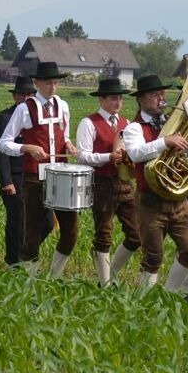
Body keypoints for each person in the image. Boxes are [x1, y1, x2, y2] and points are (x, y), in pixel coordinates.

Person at [123, 74, 188, 290]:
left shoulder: (175, 120)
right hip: (150, 200)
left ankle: (168, 292)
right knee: (153, 256)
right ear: (141, 99)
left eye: (162, 94)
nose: (161, 98)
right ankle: (145, 300)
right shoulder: (135, 127)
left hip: (178, 197)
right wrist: (165, 142)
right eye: (154, 95)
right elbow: (135, 154)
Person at [0, 61, 75, 276]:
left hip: (60, 174)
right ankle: (28, 278)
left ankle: (54, 275)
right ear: (37, 83)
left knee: (70, 230)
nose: (53, 86)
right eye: (48, 82)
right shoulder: (25, 108)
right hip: (33, 178)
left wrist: (68, 143)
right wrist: (26, 148)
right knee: (31, 229)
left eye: (55, 82)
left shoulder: (63, 106)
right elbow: (3, 143)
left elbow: (64, 134)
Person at [75, 77, 140, 285]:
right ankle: (104, 284)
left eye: (120, 98)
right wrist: (107, 158)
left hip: (125, 183)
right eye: (113, 98)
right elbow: (82, 156)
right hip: (102, 182)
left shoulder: (127, 124)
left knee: (137, 234)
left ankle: (111, 274)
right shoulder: (88, 123)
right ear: (101, 99)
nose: (118, 102)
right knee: (104, 233)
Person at [0, 76, 51, 267]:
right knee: (17, 221)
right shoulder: (4, 117)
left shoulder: (38, 117)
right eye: (21, 94)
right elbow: (0, 152)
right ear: (15, 96)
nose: (25, 98)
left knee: (47, 222)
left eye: (29, 94)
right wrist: (6, 181)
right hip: (15, 177)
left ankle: (24, 254)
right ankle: (12, 262)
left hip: (35, 175)